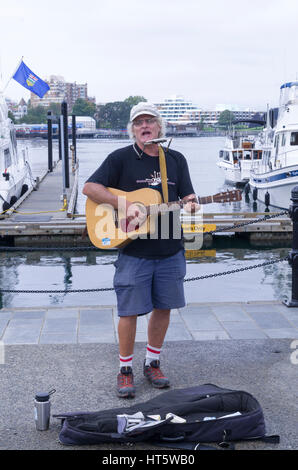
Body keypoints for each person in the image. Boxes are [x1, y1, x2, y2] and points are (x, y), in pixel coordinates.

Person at [82, 102, 198, 398]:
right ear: (132, 129)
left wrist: (193, 202)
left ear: (160, 126)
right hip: (134, 251)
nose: (144, 126)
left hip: (171, 247)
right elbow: (90, 188)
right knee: (129, 311)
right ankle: (124, 369)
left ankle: (152, 362)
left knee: (164, 308)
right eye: (138, 123)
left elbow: (188, 193)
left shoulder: (175, 159)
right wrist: (125, 204)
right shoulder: (120, 158)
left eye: (149, 121)